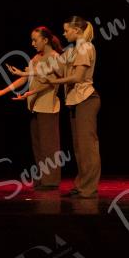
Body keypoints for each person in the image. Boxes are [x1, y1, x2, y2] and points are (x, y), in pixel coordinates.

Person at [0, 26, 64, 191]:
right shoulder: (36, 58)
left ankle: (51, 181)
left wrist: (31, 92)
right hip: (34, 106)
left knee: (49, 145)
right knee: (38, 145)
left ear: (45, 40)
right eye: (32, 40)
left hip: (47, 106)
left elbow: (51, 83)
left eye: (35, 40)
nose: (33, 43)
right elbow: (24, 78)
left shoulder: (55, 58)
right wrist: (2, 91)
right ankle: (42, 179)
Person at [39, 16, 101, 198]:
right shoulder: (72, 50)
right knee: (79, 147)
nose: (64, 34)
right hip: (75, 100)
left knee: (87, 146)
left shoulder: (85, 48)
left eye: (67, 30)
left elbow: (78, 77)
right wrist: (27, 72)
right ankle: (81, 185)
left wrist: (54, 82)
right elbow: (54, 66)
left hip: (86, 99)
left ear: (77, 30)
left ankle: (88, 189)